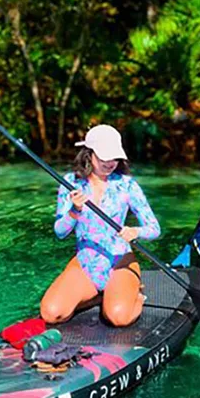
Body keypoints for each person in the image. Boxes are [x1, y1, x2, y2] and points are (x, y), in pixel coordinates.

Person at [40, 124, 161, 327]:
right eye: (105, 157)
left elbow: (154, 228)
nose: (111, 163)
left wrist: (135, 231)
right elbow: (60, 232)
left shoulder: (127, 185)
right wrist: (74, 211)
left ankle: (136, 295)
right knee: (51, 314)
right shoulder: (71, 183)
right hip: (86, 262)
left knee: (118, 318)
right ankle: (99, 296)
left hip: (119, 260)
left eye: (114, 157)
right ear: (89, 154)